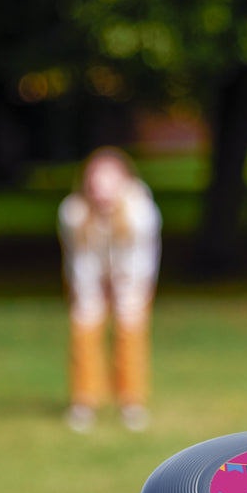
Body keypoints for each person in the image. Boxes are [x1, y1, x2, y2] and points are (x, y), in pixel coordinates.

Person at [58, 146, 162, 432]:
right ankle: (84, 401)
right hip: (89, 275)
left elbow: (141, 259)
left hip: (131, 277)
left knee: (130, 330)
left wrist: (125, 289)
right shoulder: (73, 212)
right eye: (95, 181)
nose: (101, 189)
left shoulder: (141, 212)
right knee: (84, 326)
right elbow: (79, 259)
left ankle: (131, 402)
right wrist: (90, 294)